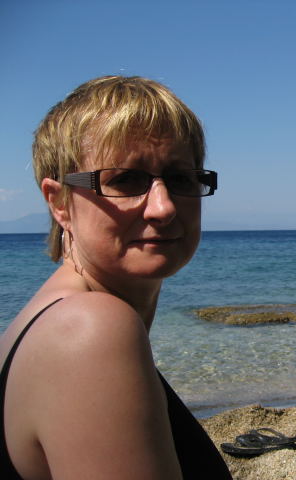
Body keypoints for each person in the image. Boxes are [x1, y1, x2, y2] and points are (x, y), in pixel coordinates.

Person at [0, 76, 232, 479]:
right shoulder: (88, 330)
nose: (163, 207)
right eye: (125, 179)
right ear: (59, 201)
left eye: (181, 178)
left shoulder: (51, 318)